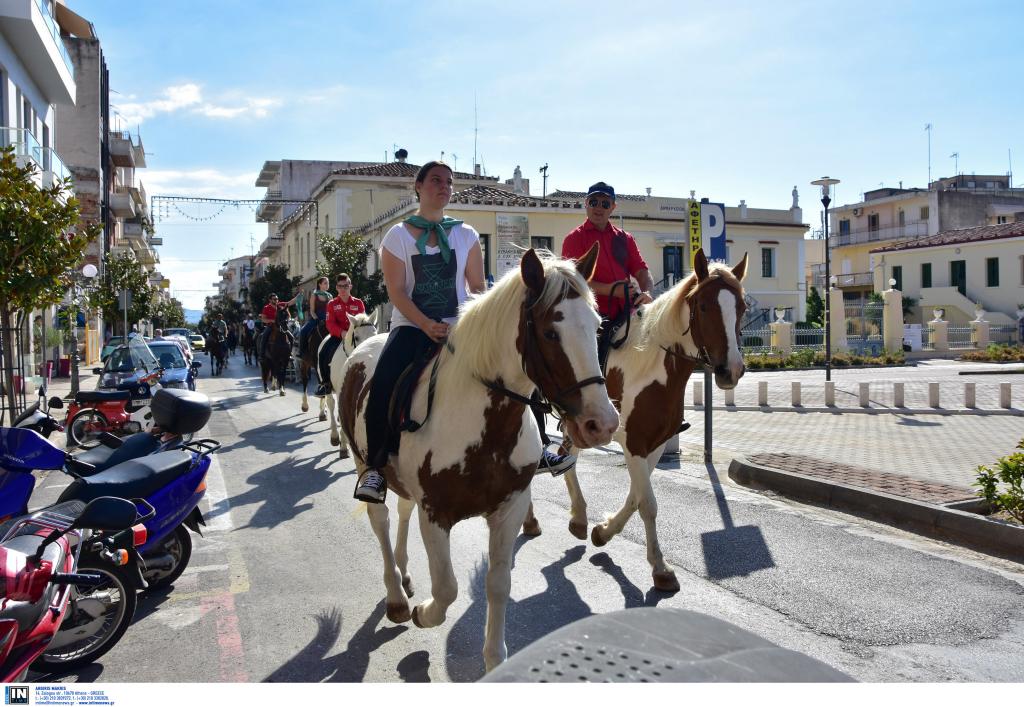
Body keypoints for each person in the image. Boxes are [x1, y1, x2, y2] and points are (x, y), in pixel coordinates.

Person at [354, 160, 486, 503]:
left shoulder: (466, 234)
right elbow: (396, 292)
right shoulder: (397, 236)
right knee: (383, 382)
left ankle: (538, 448)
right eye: (436, 180)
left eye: (449, 182)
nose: (444, 186)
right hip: (412, 327)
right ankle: (375, 468)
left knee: (509, 367)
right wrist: (425, 324)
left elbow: (476, 287)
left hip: (460, 329)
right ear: (418, 186)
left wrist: (466, 323)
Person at [561, 181, 654, 364]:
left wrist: (648, 292)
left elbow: (642, 271)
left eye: (605, 203)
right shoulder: (574, 239)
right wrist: (611, 290)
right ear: (586, 203)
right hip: (591, 316)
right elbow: (571, 281)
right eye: (594, 202)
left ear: (613, 207)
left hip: (628, 313)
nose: (599, 207)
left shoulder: (625, 238)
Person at [315, 273, 365, 397]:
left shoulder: (359, 303)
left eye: (345, 286)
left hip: (356, 337)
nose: (343, 289)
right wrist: (342, 333)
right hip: (338, 337)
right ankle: (325, 383)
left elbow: (363, 322)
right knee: (323, 353)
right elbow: (330, 324)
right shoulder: (332, 304)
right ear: (336, 288)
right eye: (340, 286)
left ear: (350, 286)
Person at [298, 276, 331, 359]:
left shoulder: (330, 296)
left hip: (328, 319)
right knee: (303, 331)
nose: (327, 285)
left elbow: (331, 310)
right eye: (325, 283)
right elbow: (312, 310)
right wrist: (317, 319)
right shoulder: (314, 295)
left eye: (328, 283)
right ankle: (301, 352)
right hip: (316, 318)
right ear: (320, 284)